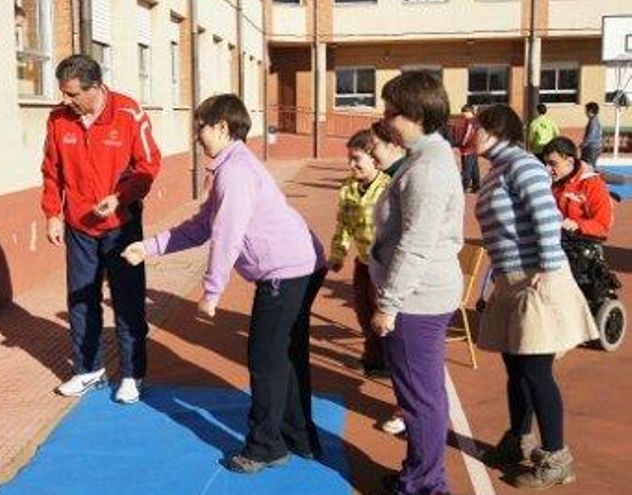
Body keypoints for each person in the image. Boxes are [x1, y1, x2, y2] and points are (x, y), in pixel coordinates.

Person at [122, 94, 326, 474]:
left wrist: (212, 290)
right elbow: (201, 226)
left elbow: (227, 235)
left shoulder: (235, 173)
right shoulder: (229, 167)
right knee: (284, 355)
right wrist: (149, 248)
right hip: (300, 264)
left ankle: (266, 448)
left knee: (266, 360)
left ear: (221, 127)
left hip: (287, 270)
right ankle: (300, 438)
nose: (196, 134)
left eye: (200, 126)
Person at [473, 104, 598, 489]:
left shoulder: (522, 165)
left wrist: (545, 267)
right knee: (516, 368)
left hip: (535, 279)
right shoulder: (497, 170)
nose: (470, 133)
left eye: (476, 127)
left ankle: (557, 458)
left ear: (495, 130)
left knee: (536, 370)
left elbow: (545, 215)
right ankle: (518, 439)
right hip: (512, 280)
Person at [41, 54, 162, 404]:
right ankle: (88, 370)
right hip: (79, 227)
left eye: (73, 94)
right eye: (63, 93)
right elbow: (51, 170)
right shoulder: (58, 119)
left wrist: (122, 197)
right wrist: (52, 213)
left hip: (121, 226)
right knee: (81, 300)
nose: (66, 101)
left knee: (127, 300)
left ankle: (132, 375)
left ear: (95, 87)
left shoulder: (128, 113)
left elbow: (148, 165)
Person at [370, 72, 464, 495]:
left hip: (417, 299)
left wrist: (388, 303)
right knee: (424, 393)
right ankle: (421, 474)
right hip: (422, 293)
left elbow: (416, 243)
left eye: (392, 112)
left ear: (417, 115)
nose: (384, 119)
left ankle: (425, 485)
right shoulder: (425, 156)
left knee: (419, 399)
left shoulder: (428, 168)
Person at [329, 129, 391, 377]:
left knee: (381, 314)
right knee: (363, 312)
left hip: (384, 265)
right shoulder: (348, 187)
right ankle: (374, 358)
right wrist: (338, 254)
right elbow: (344, 224)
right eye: (349, 159)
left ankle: (387, 362)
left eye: (357, 159)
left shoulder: (388, 187)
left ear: (374, 159)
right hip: (363, 262)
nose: (351, 165)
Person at [543, 136, 613, 240]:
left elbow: (602, 226)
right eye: (545, 164)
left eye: (553, 164)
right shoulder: (548, 181)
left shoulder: (592, 184)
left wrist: (577, 225)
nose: (547, 169)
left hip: (582, 243)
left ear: (570, 162)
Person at [458, 104, 480, 192]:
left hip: (467, 149)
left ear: (468, 112)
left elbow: (467, 134)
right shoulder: (476, 121)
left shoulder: (469, 122)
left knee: (466, 169)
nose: (463, 115)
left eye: (464, 113)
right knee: (474, 168)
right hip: (474, 148)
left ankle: (464, 186)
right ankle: (476, 185)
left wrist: (462, 143)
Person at [579, 102, 603, 168]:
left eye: (586, 110)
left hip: (591, 148)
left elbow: (591, 136)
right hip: (594, 147)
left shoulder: (593, 121)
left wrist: (583, 144)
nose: (585, 112)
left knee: (588, 166)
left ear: (590, 111)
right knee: (587, 165)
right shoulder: (594, 120)